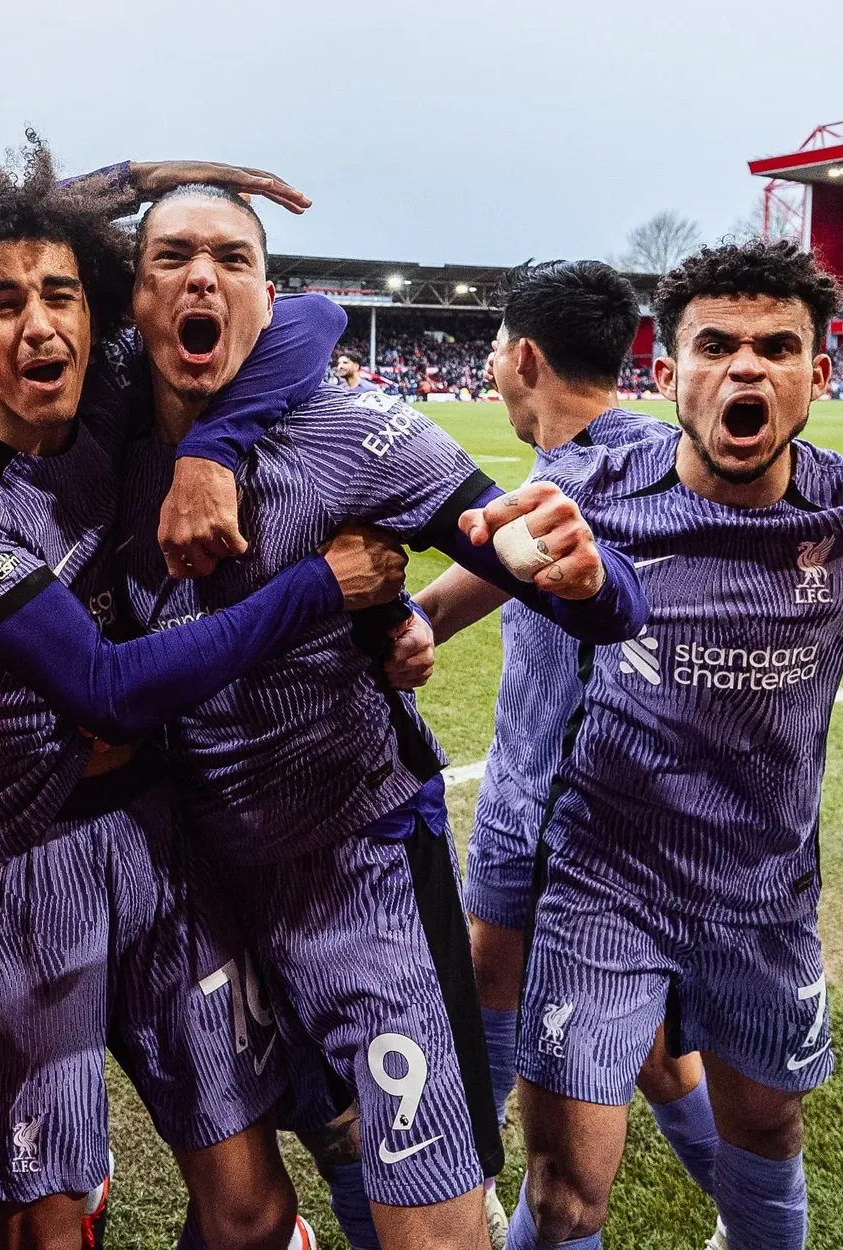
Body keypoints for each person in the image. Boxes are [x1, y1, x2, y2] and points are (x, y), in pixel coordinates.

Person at [0, 146, 402, 1250]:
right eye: (2, 303)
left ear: (96, 310)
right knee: (47, 1218)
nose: (39, 327)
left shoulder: (113, 389)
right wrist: (324, 585)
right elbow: (105, 692)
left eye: (61, 294)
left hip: (163, 837)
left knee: (252, 1208)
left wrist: (210, 447)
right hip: (26, 859)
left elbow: (309, 317)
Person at [118, 182, 648, 1250]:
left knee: (426, 1209)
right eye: (170, 257)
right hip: (188, 876)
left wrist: (588, 579)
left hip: (357, 861)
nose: (201, 277)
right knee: (270, 1179)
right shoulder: (95, 425)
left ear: (270, 296)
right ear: (130, 298)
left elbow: (560, 579)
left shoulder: (360, 433)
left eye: (232, 258)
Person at [459, 239, 841, 1250]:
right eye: (715, 346)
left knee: (768, 1132)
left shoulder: (838, 515)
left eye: (776, 347)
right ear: (667, 374)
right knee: (563, 1193)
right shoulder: (589, 486)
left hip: (762, 894)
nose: (746, 367)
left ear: (815, 375)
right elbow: (473, 574)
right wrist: (410, 624)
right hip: (602, 886)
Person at [404, 261, 722, 1244]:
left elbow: (441, 606)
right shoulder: (659, 458)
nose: (493, 365)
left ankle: (465, 1197)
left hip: (553, 818)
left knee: (497, 1002)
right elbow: (461, 600)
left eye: (498, 347)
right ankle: (748, 1211)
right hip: (661, 823)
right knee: (651, 1046)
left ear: (526, 358)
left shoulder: (566, 488)